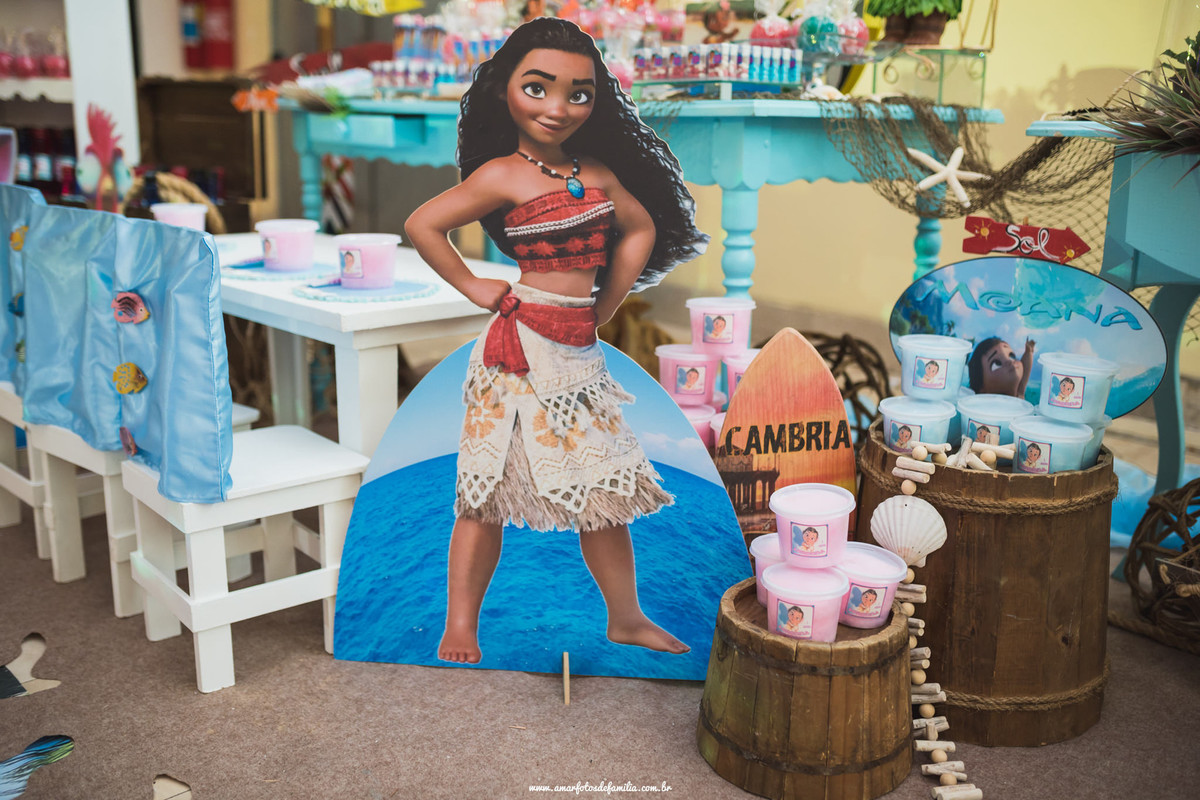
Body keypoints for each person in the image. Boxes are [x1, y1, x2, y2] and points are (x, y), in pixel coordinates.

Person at [404, 18, 708, 665]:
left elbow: (641, 229)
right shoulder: (501, 175)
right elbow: (424, 223)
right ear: (504, 90)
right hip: (516, 350)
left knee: (602, 494)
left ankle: (626, 617)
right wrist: (473, 285)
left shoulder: (596, 171)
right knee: (484, 493)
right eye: (537, 88)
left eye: (579, 94)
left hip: (577, 350)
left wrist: (606, 304)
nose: (557, 107)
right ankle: (461, 623)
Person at [968, 336, 1036, 398]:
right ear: (981, 389)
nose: (1010, 361)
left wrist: (1029, 352)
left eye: (1012, 356)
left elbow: (1025, 372)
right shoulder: (985, 405)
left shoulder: (1019, 394)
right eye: (996, 364)